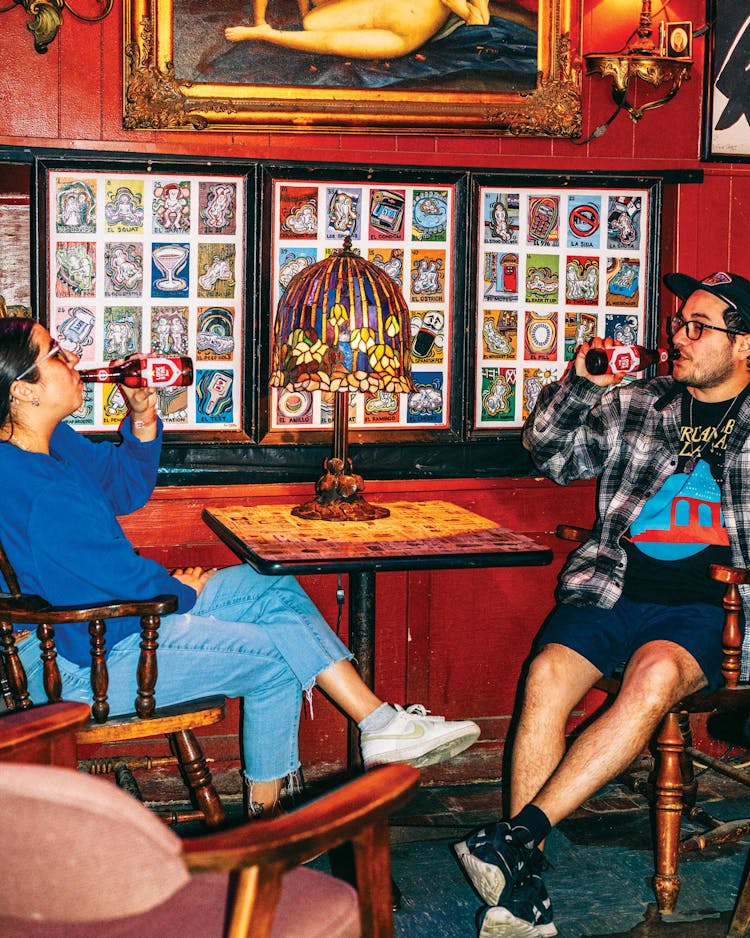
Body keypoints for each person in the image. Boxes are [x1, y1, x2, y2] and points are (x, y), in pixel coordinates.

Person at [0, 317, 480, 816]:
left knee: (267, 582)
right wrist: (178, 591)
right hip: (82, 660)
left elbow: (122, 489)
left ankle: (379, 726)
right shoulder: (32, 487)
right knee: (275, 663)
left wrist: (142, 416)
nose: (74, 358)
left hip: (105, 623)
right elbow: (108, 574)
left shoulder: (49, 444)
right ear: (23, 391)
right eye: (54, 353)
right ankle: (268, 832)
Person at [454, 271, 750, 937]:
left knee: (651, 681)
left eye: (698, 326)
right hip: (612, 584)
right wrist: (583, 383)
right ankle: (522, 882)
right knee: (547, 676)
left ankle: (517, 837)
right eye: (679, 322)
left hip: (708, 612)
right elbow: (552, 458)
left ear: (744, 346)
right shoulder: (638, 401)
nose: (678, 334)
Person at [225, 0, 490, 60]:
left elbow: (478, 20)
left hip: (400, 36)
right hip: (377, 8)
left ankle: (267, 34)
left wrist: (479, 6)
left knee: (330, 42)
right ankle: (265, 29)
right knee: (312, 23)